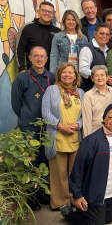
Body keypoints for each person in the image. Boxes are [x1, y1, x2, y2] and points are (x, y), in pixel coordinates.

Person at [62, 105, 112, 225]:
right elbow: (78, 170)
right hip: (95, 193)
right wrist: (77, 195)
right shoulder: (90, 141)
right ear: (104, 118)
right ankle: (69, 214)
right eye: (110, 117)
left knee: (108, 219)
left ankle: (86, 214)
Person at [11, 46, 55, 210]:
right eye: (35, 56)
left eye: (42, 56)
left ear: (46, 59)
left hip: (47, 127)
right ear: (29, 58)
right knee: (31, 162)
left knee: (44, 160)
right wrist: (26, 117)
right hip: (29, 127)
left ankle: (43, 193)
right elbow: (16, 104)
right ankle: (31, 197)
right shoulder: (22, 79)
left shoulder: (51, 76)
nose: (39, 59)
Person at [42, 62, 84, 210]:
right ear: (59, 74)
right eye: (64, 72)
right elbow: (46, 114)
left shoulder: (80, 92)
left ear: (75, 76)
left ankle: (73, 199)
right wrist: (60, 126)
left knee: (74, 172)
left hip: (74, 138)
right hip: (57, 137)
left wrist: (78, 125)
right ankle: (60, 202)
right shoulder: (51, 90)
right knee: (58, 174)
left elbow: (84, 116)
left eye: (71, 72)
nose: (67, 75)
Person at [16, 1, 61, 72]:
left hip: (53, 73)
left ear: (53, 14)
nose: (47, 13)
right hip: (32, 72)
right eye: (44, 10)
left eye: (50, 12)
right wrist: (21, 69)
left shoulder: (58, 31)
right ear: (39, 11)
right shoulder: (27, 28)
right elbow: (20, 49)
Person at [82, 65, 112, 138]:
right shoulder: (88, 95)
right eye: (96, 76)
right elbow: (87, 120)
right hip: (95, 134)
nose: (100, 78)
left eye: (102, 75)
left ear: (107, 77)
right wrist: (87, 140)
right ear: (92, 78)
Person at [79, 23, 112, 92]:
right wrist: (102, 77)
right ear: (95, 34)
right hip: (89, 90)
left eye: (107, 34)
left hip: (103, 90)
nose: (104, 36)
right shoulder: (87, 48)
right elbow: (83, 70)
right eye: (102, 33)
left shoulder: (109, 50)